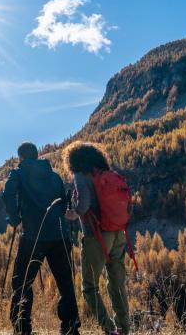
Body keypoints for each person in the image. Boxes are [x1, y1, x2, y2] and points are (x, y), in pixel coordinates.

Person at [3, 141, 80, 335]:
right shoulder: (54, 177)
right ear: (37, 155)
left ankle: (22, 328)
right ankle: (70, 327)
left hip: (33, 236)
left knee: (21, 282)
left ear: (20, 157)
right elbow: (63, 205)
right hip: (59, 235)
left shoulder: (17, 173)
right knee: (65, 282)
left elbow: (8, 193)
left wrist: (14, 218)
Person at [63, 142, 130, 335]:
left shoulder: (80, 175)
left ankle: (109, 330)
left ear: (73, 160)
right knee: (117, 283)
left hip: (97, 236)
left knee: (89, 287)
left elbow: (83, 205)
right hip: (119, 233)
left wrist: (72, 213)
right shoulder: (105, 173)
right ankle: (123, 329)